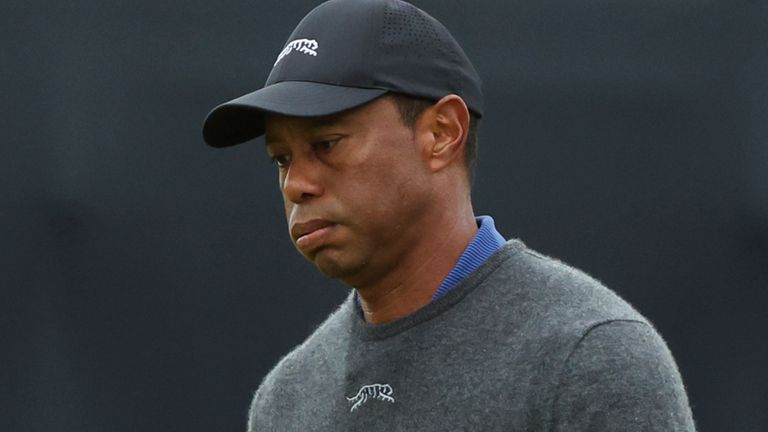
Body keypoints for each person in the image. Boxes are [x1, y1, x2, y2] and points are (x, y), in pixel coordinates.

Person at [202, 0, 697, 430]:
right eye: (282, 159)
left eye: (326, 144)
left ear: (442, 133)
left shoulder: (589, 358)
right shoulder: (286, 398)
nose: (296, 184)